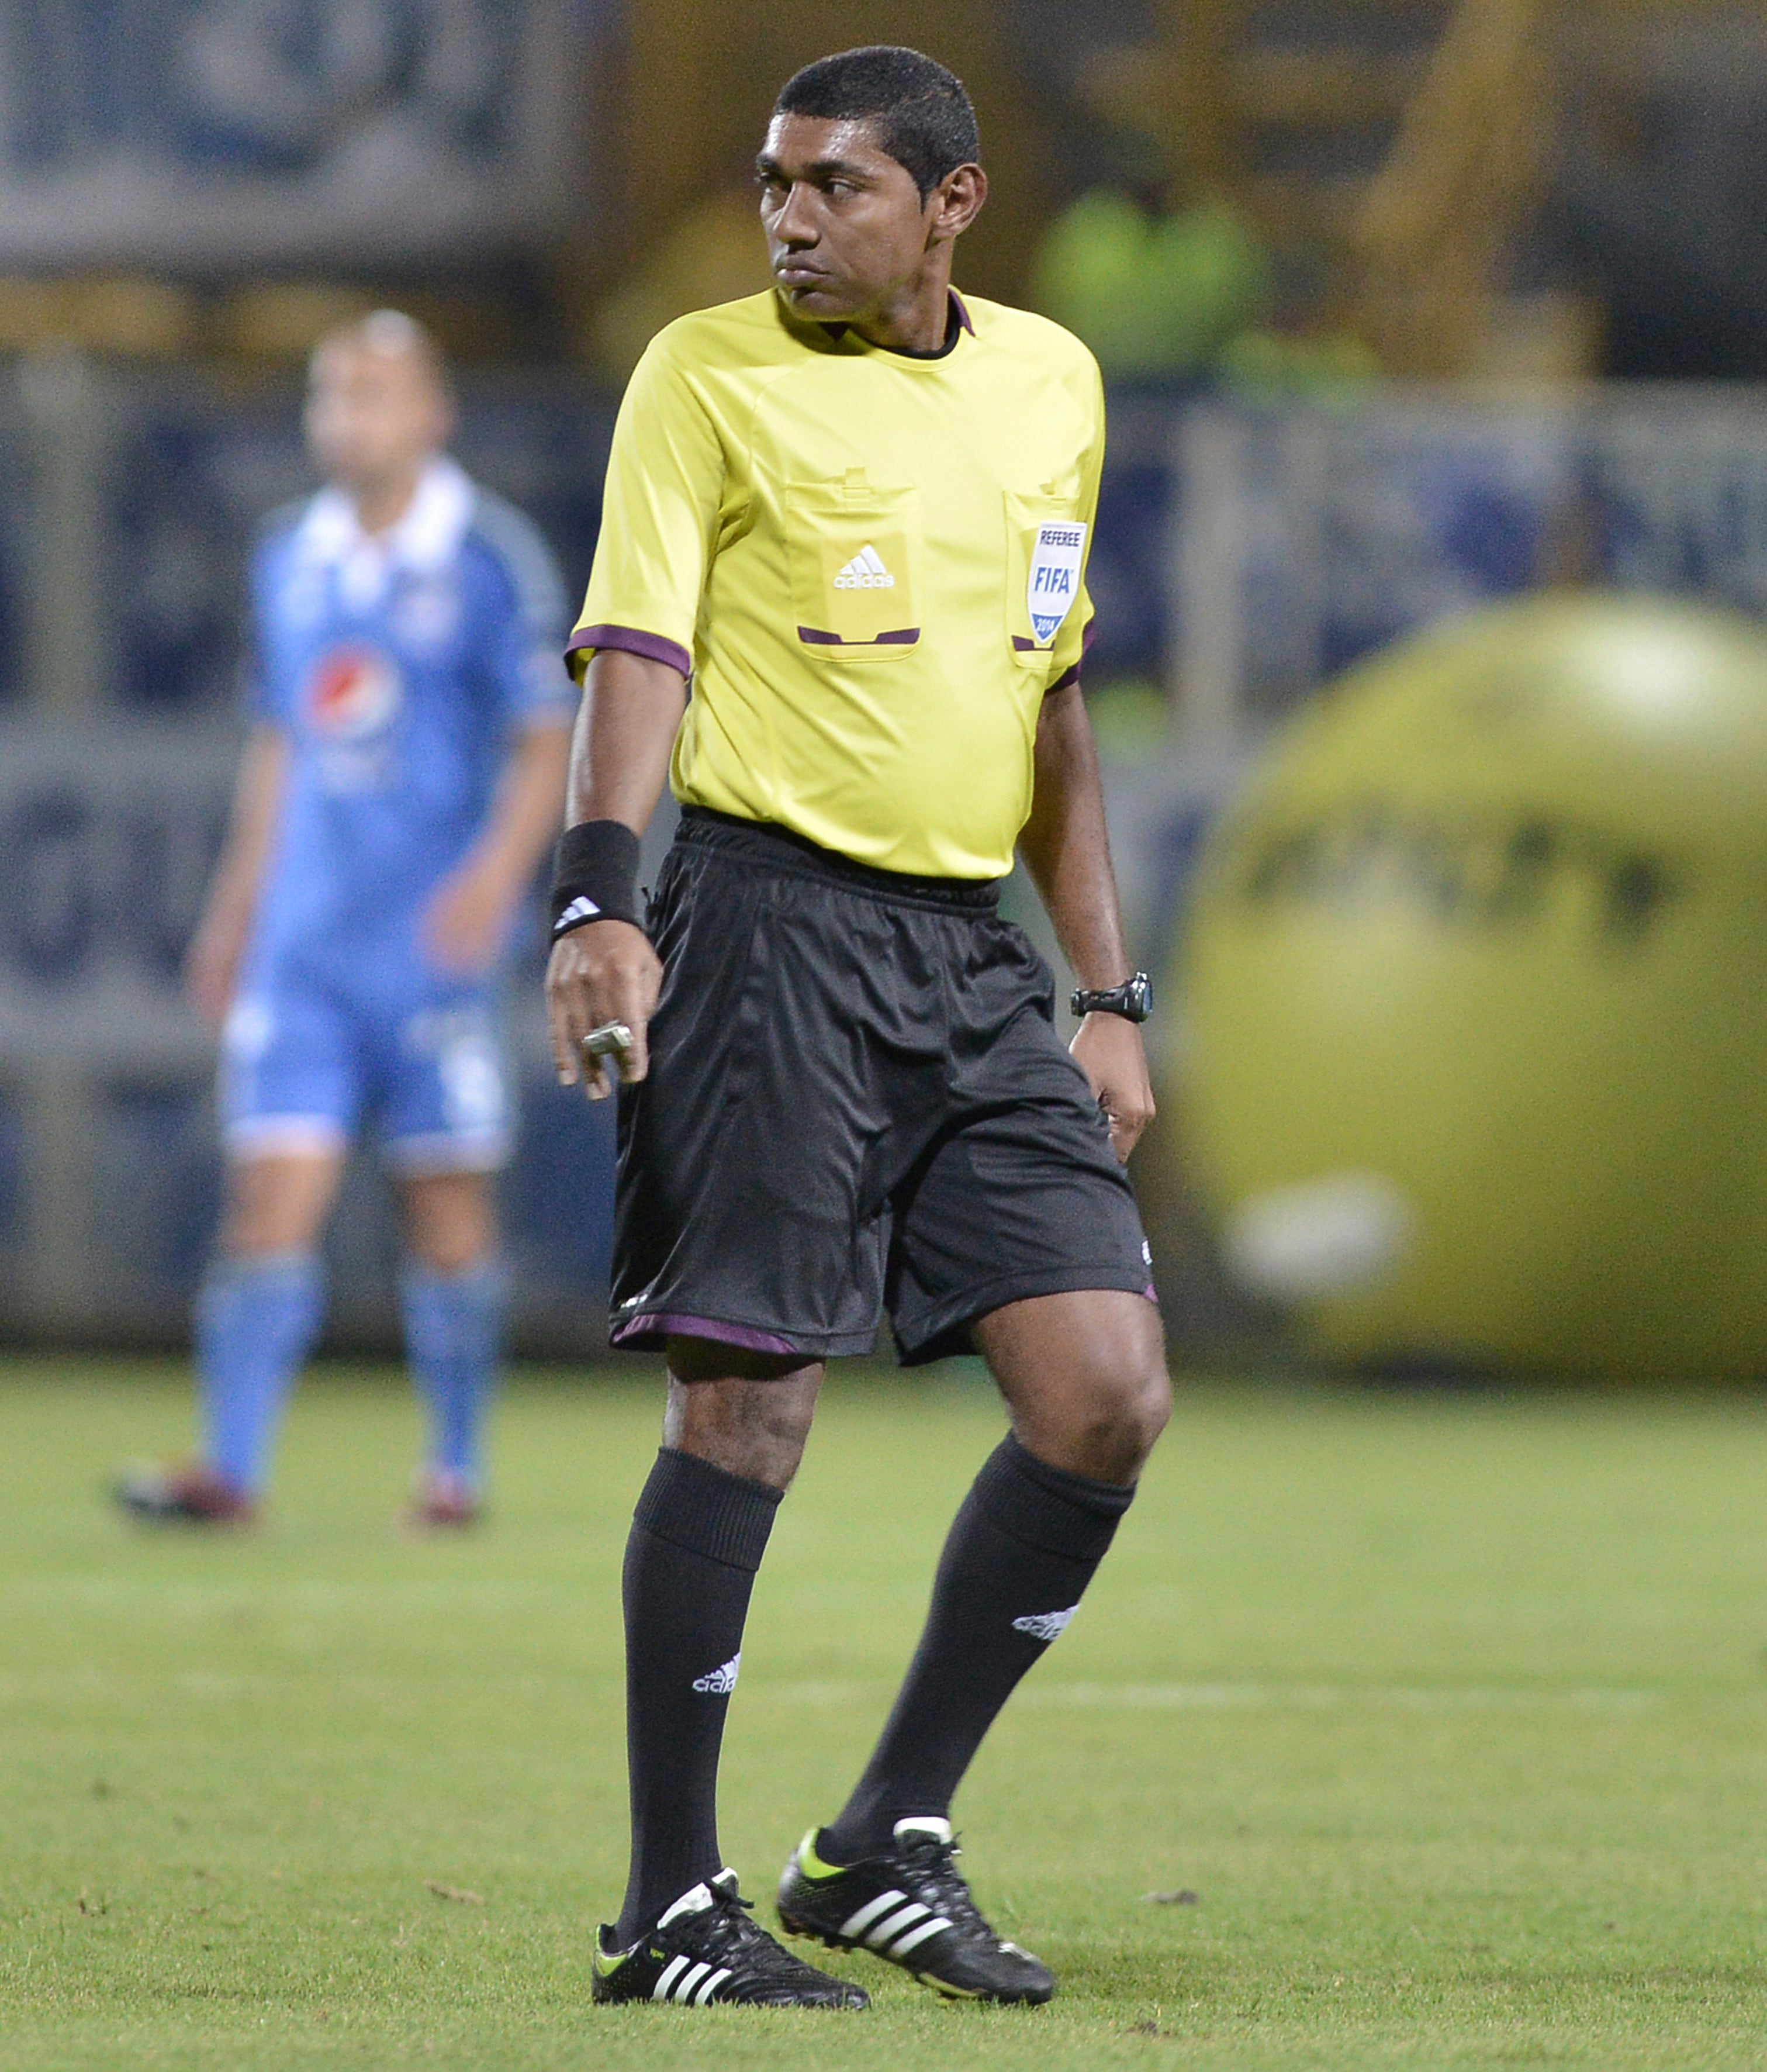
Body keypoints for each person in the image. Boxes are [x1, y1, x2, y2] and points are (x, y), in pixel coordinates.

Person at [548, 45, 1170, 2012]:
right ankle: (668, 1906)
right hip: (761, 921)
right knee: (747, 1403)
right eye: (774, 187)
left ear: (951, 203)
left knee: (1103, 1389)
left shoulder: (1050, 381)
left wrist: (1100, 989)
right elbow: (636, 652)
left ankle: (881, 1836)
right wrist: (597, 899)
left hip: (973, 950)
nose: (792, 220)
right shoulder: (704, 374)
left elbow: (1048, 698)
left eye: (834, 189)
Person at [117, 312, 573, 1529]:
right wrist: (234, 910)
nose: (346, 422)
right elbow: (283, 741)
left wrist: (494, 880)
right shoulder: (290, 552)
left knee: (446, 1205)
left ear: (432, 413)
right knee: (268, 1195)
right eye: (331, 398)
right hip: (304, 947)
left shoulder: (489, 555)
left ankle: (457, 1463)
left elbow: (545, 737)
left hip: (433, 946)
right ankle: (232, 1467)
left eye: (372, 398)